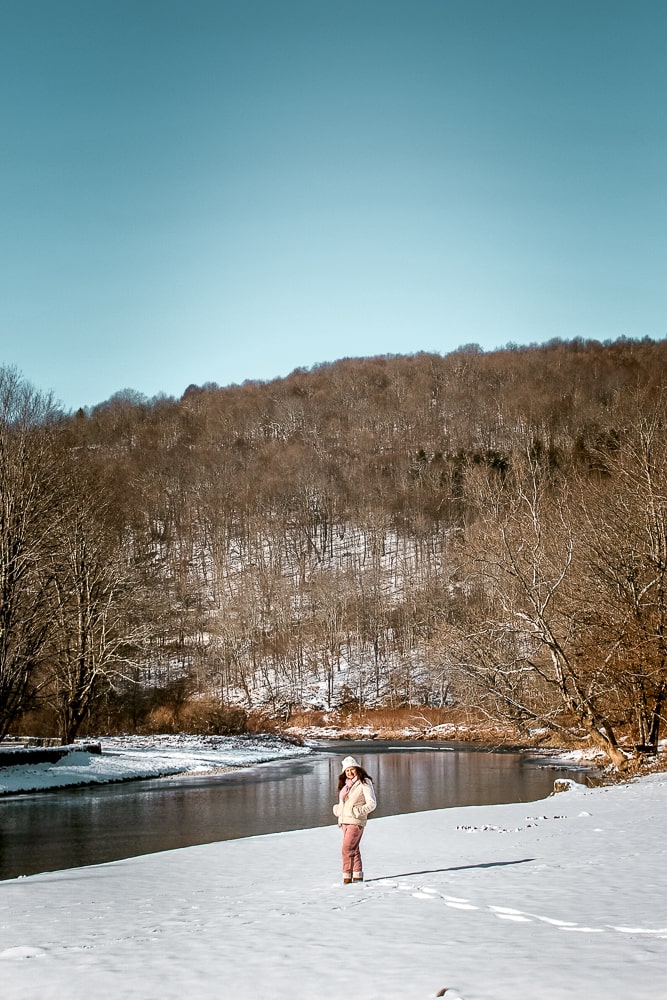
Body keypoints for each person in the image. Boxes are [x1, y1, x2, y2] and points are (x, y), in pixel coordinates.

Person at [332, 754, 376, 883]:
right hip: (344, 821)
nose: (350, 772)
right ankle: (357, 875)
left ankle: (347, 876)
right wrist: (339, 811)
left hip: (355, 822)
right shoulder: (345, 786)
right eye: (347, 770)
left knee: (346, 849)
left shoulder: (364, 783)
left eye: (352, 769)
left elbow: (372, 803)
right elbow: (343, 803)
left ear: (357, 769)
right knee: (354, 849)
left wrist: (358, 812)